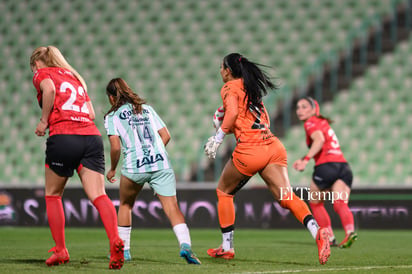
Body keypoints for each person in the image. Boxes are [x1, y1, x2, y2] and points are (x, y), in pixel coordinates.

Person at [204, 53, 330, 265]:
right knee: (286, 196)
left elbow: (233, 113)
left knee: (223, 192)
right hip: (272, 145)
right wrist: (224, 119)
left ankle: (227, 247)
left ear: (228, 70)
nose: (220, 71)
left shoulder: (229, 87)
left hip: (250, 150)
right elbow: (256, 118)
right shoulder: (250, 87)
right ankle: (317, 232)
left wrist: (217, 137)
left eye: (221, 67)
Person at [30, 46, 124, 269]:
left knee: (53, 194)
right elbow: (91, 113)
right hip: (91, 136)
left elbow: (50, 89)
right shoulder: (75, 77)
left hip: (64, 136)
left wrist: (44, 120)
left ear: (37, 63)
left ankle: (61, 250)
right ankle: (114, 241)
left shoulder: (42, 74)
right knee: (99, 195)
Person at [103, 78, 201, 265]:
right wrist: (155, 153)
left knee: (125, 205)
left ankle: (124, 251)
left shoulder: (112, 117)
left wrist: (113, 169)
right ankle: (185, 245)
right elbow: (166, 135)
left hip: (134, 166)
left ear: (111, 98)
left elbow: (115, 148)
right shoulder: (146, 109)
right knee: (173, 208)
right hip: (160, 164)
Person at [292, 97, 358, 248]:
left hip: (326, 166)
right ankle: (350, 231)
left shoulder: (310, 122)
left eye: (304, 107)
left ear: (314, 109)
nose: (299, 110)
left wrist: (305, 159)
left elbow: (319, 140)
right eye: (298, 107)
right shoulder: (323, 122)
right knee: (340, 203)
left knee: (315, 203)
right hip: (343, 167)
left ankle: (329, 237)